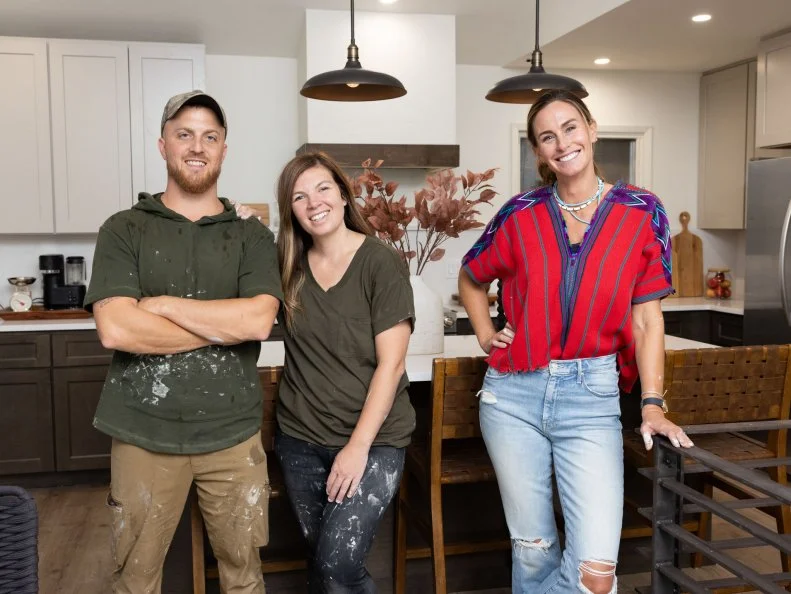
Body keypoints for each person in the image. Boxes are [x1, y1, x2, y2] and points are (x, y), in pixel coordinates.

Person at [458, 89, 694, 594]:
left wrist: (652, 403)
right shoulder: (519, 212)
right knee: (533, 549)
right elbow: (472, 274)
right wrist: (484, 334)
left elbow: (648, 322)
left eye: (569, 128)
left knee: (596, 575)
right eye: (547, 136)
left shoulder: (641, 211)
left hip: (592, 397)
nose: (561, 142)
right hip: (512, 393)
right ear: (539, 152)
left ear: (591, 129)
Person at [84, 90, 282, 594]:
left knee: (244, 580)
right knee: (137, 580)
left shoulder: (251, 237)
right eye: (185, 133)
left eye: (210, 136)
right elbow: (117, 329)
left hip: (233, 436)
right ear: (163, 145)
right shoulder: (123, 229)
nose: (198, 145)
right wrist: (220, 325)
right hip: (142, 434)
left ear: (223, 149)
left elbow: (258, 321)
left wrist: (163, 304)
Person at [272, 152, 415, 593]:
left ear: (341, 193)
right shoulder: (286, 268)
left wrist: (357, 448)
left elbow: (391, 364)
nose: (314, 202)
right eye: (299, 196)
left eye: (322, 188)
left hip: (372, 441)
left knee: (338, 564)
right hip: (300, 437)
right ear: (290, 210)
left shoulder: (380, 262)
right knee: (322, 563)